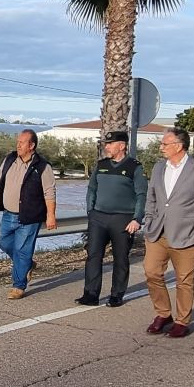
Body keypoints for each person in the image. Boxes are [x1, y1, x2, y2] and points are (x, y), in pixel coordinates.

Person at [142, 127, 194, 338]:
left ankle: (182, 321)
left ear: (178, 146)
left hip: (187, 235)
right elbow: (152, 198)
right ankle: (163, 313)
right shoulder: (158, 167)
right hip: (157, 232)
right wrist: (148, 221)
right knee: (152, 272)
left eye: (165, 144)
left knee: (184, 281)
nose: (161, 147)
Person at [76, 131, 147, 307]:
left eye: (110, 143)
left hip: (123, 219)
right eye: (105, 143)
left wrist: (137, 218)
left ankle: (117, 295)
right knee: (93, 256)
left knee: (120, 258)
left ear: (122, 145)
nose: (106, 147)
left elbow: (141, 195)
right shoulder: (101, 165)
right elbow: (91, 189)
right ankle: (91, 294)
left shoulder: (134, 167)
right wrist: (90, 211)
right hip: (98, 218)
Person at [0, 129, 57, 300]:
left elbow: (49, 192)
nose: (18, 145)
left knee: (23, 250)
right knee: (4, 243)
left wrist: (51, 215)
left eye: (22, 142)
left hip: (30, 216)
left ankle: (19, 286)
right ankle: (28, 265)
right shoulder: (10, 159)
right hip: (9, 214)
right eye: (17, 142)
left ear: (32, 145)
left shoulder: (42, 166)